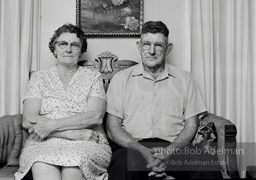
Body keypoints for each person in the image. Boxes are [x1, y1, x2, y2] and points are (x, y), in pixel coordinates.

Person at [106, 21, 223, 180]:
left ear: (168, 49)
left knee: (205, 163)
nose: (152, 51)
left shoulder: (185, 79)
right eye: (147, 44)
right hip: (134, 149)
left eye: (159, 45)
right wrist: (142, 150)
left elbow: (191, 125)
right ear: (139, 46)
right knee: (123, 165)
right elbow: (113, 126)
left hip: (175, 149)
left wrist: (170, 151)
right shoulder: (121, 79)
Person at [15, 23, 111, 180]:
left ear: (81, 50)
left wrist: (51, 125)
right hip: (45, 141)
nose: (68, 49)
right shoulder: (39, 78)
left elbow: (95, 117)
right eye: (62, 44)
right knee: (41, 164)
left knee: (74, 167)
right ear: (54, 48)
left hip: (87, 140)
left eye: (74, 45)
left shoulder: (93, 77)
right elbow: (28, 120)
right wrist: (71, 133)